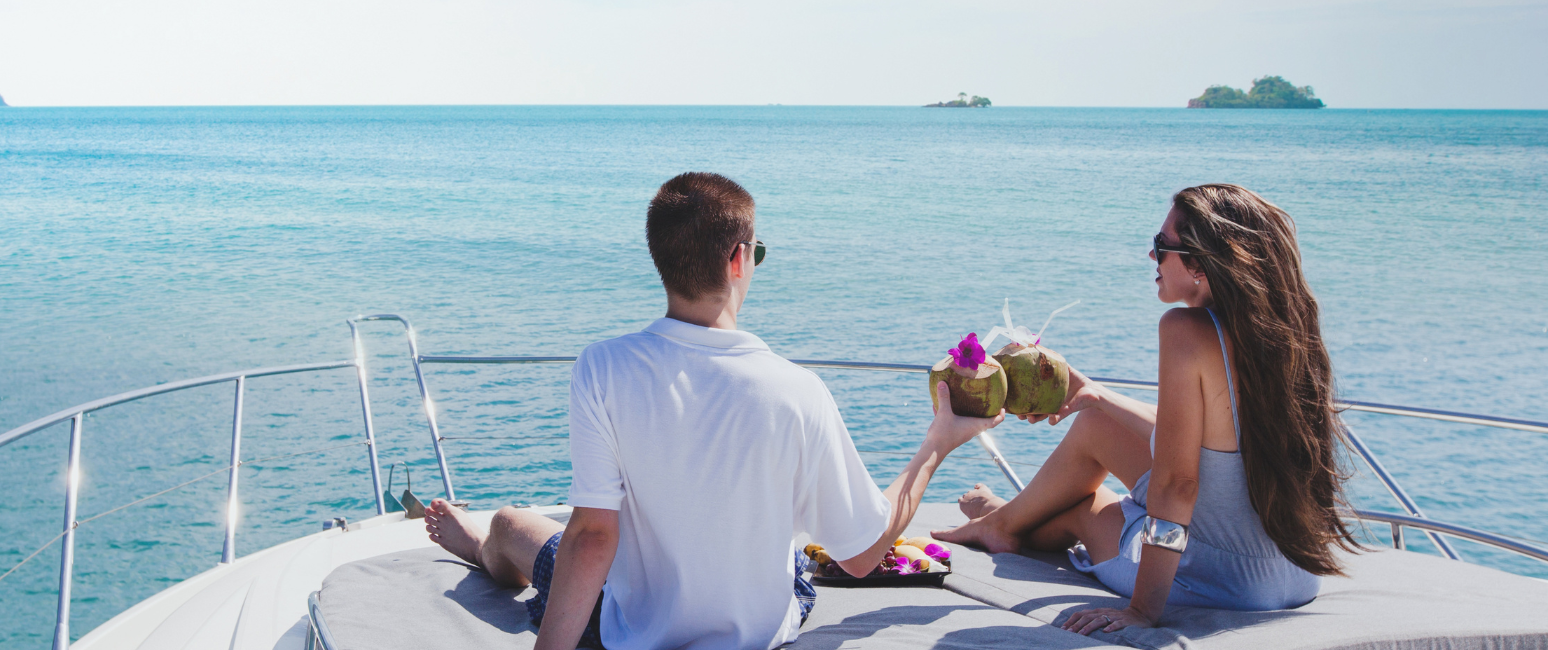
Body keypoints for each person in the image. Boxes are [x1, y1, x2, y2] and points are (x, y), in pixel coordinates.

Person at [423, 172, 1003, 650]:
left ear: (660, 260)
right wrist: (938, 442)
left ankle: (479, 546)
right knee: (788, 552)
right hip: (758, 632)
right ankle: (479, 543)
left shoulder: (603, 368)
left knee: (510, 523)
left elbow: (594, 535)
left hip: (628, 628)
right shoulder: (798, 391)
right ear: (738, 258)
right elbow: (863, 554)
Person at [934, 184, 1362, 635]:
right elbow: (1212, 441)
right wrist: (1095, 394)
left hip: (1222, 581)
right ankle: (1005, 519)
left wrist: (1142, 611)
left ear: (1199, 262)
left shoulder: (1185, 330)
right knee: (1095, 421)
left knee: (1086, 507)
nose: (1151, 256)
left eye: (1161, 245)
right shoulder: (1284, 330)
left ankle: (1002, 523)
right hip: (1293, 573)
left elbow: (1178, 484)